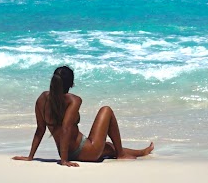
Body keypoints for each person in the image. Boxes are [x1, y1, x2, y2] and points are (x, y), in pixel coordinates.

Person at [12, 65, 154, 167]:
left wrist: (31, 157)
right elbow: (66, 128)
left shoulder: (42, 99)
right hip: (85, 151)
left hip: (67, 151)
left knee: (109, 147)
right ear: (71, 84)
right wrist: (64, 161)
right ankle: (123, 154)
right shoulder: (73, 100)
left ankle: (142, 152)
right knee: (106, 110)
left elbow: (40, 129)